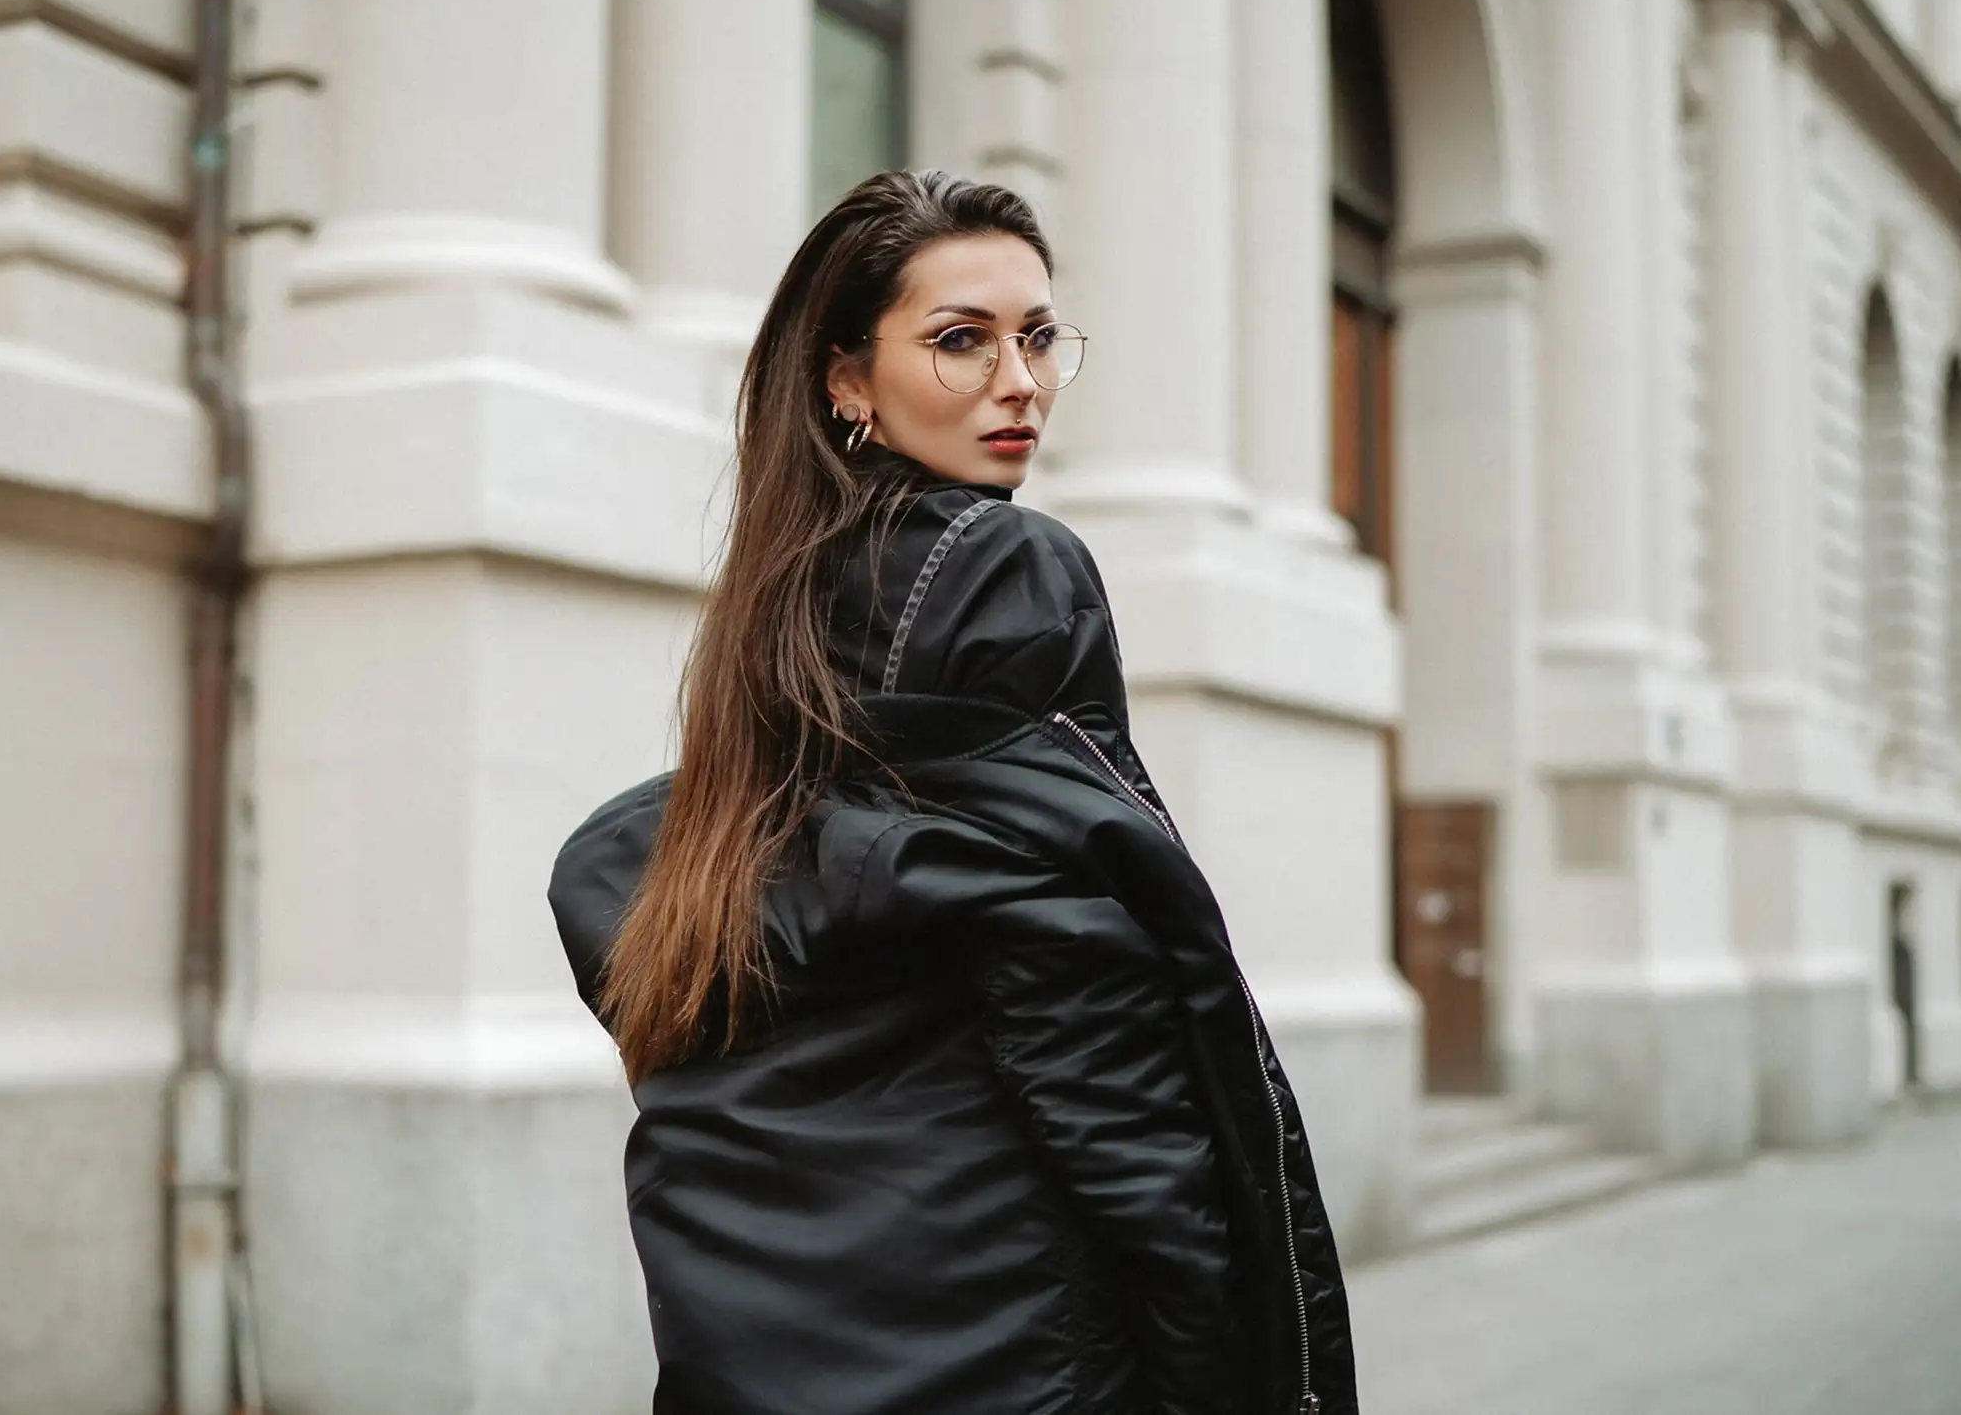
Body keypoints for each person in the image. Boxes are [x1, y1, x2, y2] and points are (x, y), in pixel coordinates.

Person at [547, 169, 1356, 1415]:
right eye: (960, 342)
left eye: (1036, 338)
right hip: (1013, 1341)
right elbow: (1096, 1027)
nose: (1018, 382)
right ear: (846, 379)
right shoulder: (1001, 571)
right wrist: (1221, 1360)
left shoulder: (779, 608)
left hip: (792, 1346)